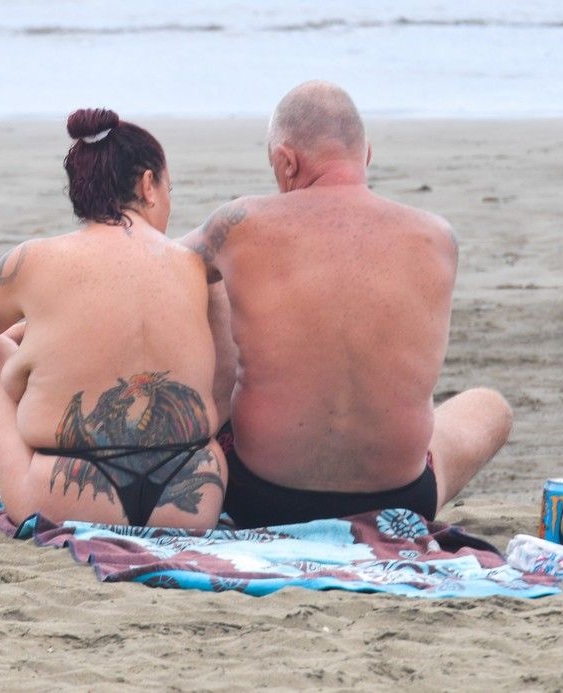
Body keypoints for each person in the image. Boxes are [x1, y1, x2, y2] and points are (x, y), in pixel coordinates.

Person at [183, 81, 512, 528]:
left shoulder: (239, 223)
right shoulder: (437, 238)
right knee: (490, 406)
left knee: (207, 280)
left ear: (286, 161)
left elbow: (162, 267)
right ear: (367, 154)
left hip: (257, 497)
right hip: (401, 500)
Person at [0, 108, 226, 529]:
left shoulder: (34, 260)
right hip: (191, 498)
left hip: (65, 495)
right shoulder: (195, 266)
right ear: (148, 185)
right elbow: (222, 379)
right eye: (171, 188)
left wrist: (22, 339)